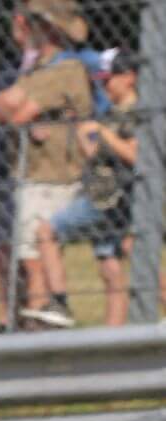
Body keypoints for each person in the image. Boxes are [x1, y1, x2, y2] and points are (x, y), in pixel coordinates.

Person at [0, 2, 93, 329]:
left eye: (34, 22)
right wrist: (10, 108)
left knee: (35, 249)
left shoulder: (64, 69)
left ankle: (44, 312)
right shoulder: (37, 69)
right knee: (27, 248)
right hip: (30, 173)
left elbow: (16, 111)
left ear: (49, 29)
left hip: (52, 175)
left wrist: (14, 111)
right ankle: (38, 315)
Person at [43, 49, 158, 325]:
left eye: (109, 80)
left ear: (129, 77)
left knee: (46, 230)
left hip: (112, 199)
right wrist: (80, 126)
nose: (104, 86)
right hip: (102, 193)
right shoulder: (112, 113)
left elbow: (135, 156)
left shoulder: (135, 114)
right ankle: (113, 335)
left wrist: (104, 134)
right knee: (111, 267)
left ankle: (59, 303)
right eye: (101, 81)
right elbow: (95, 154)